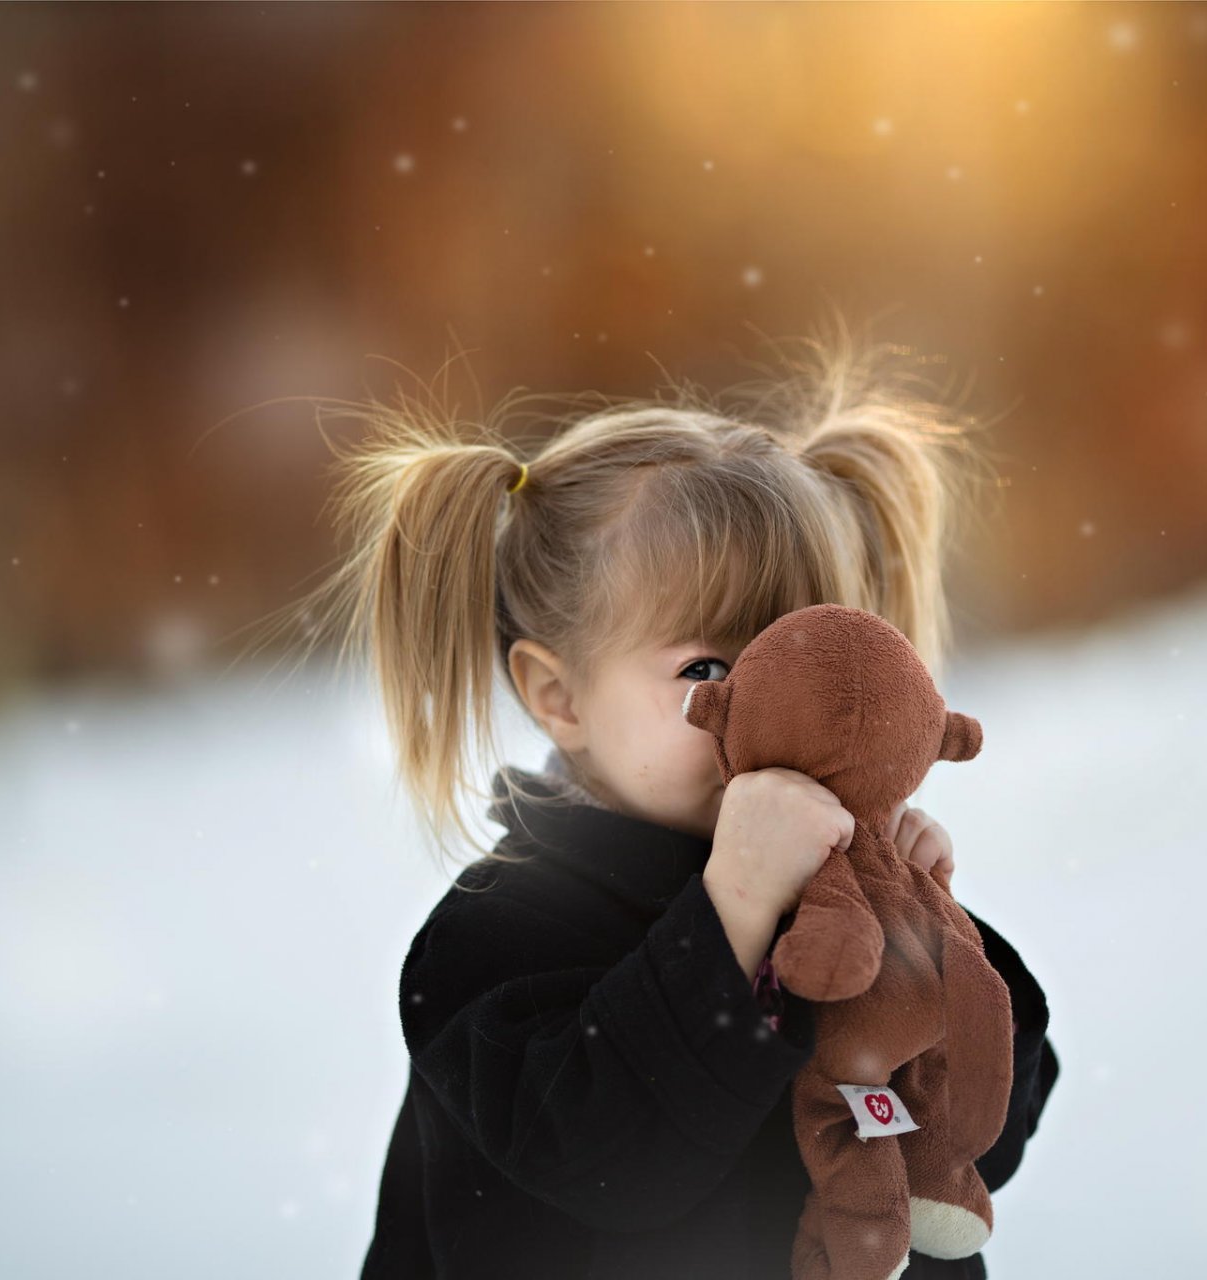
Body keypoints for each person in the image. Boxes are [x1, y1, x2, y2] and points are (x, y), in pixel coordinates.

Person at [304, 319, 1058, 1278]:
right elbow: (610, 1164)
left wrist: (936, 942)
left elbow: (985, 1146)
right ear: (559, 696)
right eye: (706, 665)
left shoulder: (849, 892)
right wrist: (729, 911)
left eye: (807, 648)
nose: (781, 707)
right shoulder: (493, 942)